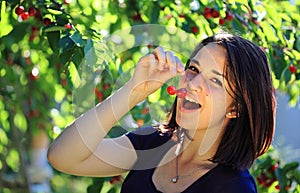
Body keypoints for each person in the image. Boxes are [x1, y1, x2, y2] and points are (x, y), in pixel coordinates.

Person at [47, 32, 276, 193]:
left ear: (235, 108)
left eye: (215, 80)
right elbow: (62, 156)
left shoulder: (234, 187)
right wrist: (133, 92)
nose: (193, 82)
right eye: (194, 69)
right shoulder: (152, 145)